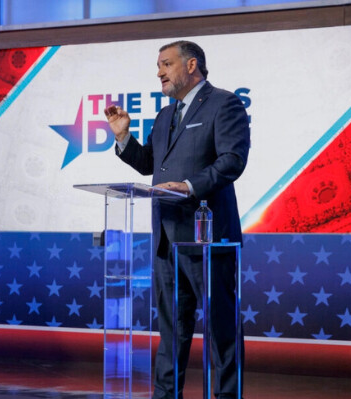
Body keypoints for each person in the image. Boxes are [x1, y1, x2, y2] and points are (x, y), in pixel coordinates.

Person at [105, 41, 249, 398]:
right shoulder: (165, 115)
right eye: (158, 65)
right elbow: (150, 165)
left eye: (166, 64)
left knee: (221, 329)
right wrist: (124, 136)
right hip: (166, 240)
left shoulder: (224, 103)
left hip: (207, 237)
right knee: (171, 329)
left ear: (191, 65)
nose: (159, 72)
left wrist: (188, 186)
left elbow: (233, 160)